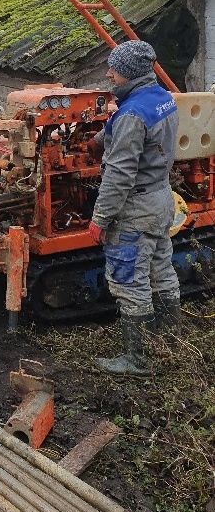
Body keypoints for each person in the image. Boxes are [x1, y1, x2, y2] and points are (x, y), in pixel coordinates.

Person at [88, 40, 180, 376]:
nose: (108, 73)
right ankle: (170, 342)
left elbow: (119, 175)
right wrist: (100, 138)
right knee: (161, 270)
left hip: (134, 207)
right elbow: (134, 135)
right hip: (160, 198)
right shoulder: (160, 99)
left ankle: (137, 360)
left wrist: (99, 219)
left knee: (129, 279)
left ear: (128, 72)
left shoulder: (130, 115)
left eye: (113, 68)